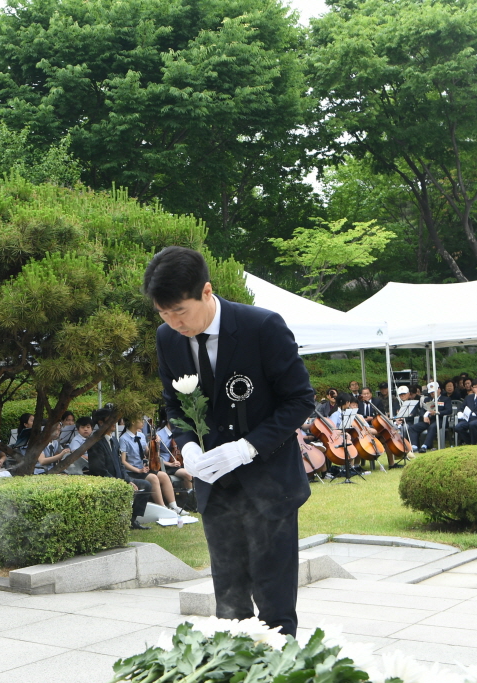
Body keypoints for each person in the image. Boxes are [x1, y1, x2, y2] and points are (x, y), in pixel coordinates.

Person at [147, 246, 315, 636]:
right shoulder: (168, 338)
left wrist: (247, 447)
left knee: (274, 603)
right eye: (163, 313)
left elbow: (299, 400)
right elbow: (174, 403)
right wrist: (188, 444)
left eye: (180, 311)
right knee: (229, 598)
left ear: (206, 291)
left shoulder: (262, 327)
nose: (174, 322)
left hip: (269, 482)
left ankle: (280, 661)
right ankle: (236, 659)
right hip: (215, 486)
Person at [86, 407, 151, 529]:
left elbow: (121, 464)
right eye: (110, 419)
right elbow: (99, 470)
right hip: (107, 481)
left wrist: (128, 480)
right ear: (101, 422)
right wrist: (120, 483)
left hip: (119, 479)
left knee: (146, 485)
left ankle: (132, 520)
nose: (114, 422)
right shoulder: (95, 441)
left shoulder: (114, 439)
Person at [120, 416, 186, 515]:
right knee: (153, 478)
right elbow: (123, 461)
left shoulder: (141, 435)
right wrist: (138, 470)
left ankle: (174, 506)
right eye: (140, 420)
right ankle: (163, 508)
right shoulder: (123, 438)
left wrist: (155, 444)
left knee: (163, 475)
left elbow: (148, 454)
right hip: (132, 471)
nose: (143, 422)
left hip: (143, 469)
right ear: (133, 422)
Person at [410, 381, 446, 453]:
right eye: (431, 392)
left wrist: (437, 412)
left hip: (439, 420)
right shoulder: (427, 399)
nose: (432, 393)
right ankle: (414, 446)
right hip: (427, 420)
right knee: (413, 428)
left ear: (439, 390)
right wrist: (424, 416)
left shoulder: (445, 399)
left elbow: (448, 410)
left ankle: (425, 446)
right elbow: (422, 410)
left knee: (432, 427)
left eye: (434, 391)